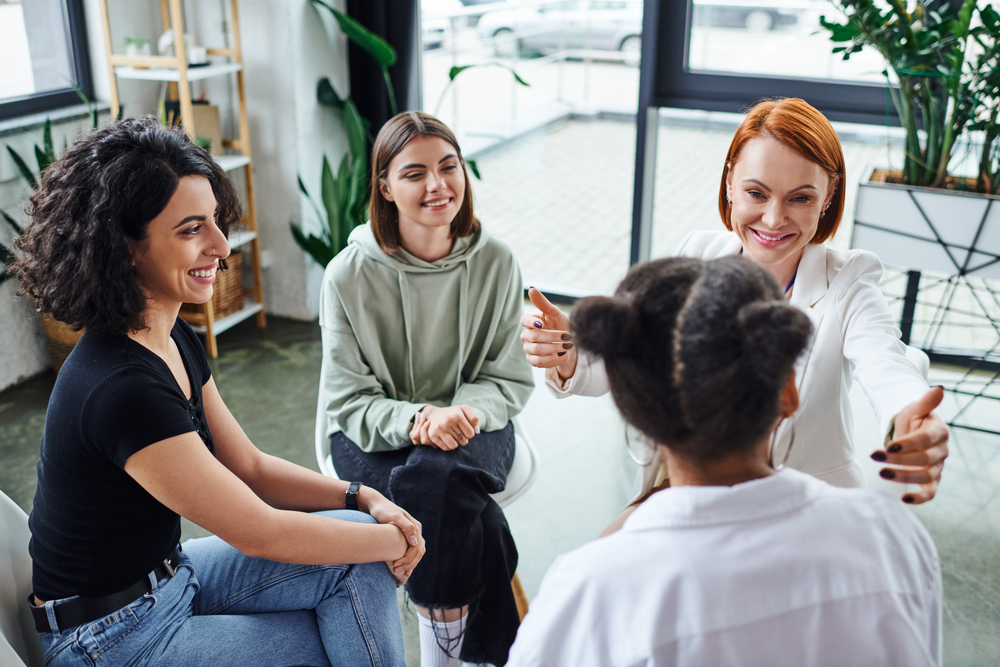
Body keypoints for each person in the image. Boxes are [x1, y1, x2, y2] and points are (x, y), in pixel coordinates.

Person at [14, 118, 423, 667]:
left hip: (171, 576)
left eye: (215, 221)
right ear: (126, 247)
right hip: (109, 638)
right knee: (345, 619)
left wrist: (362, 498)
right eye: (191, 230)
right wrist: (403, 541)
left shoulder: (171, 332)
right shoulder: (121, 387)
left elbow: (249, 467)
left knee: (358, 546)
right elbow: (260, 532)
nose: (221, 246)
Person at [507, 255, 943, 667]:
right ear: (789, 390)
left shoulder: (588, 591)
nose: (774, 218)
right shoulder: (893, 538)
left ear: (634, 409)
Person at [521, 97, 949, 502]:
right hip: (683, 486)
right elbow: (631, 367)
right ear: (729, 182)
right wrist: (569, 355)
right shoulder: (695, 254)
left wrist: (909, 416)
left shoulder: (848, 281)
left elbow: (887, 364)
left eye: (800, 198)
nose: (774, 218)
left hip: (797, 503)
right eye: (756, 193)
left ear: (829, 195)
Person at [317, 111, 535, 667]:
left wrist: (458, 414)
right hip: (374, 431)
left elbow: (508, 377)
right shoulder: (346, 275)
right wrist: (418, 420)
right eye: (415, 173)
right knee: (469, 512)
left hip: (474, 421)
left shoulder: (497, 260)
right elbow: (348, 400)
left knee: (434, 478)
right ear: (385, 187)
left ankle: (440, 653)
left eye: (449, 167)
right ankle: (484, 655)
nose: (438, 185)